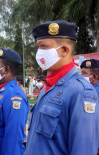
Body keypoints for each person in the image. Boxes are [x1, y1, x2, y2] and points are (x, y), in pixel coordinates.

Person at [25, 20, 99, 155]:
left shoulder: (81, 92)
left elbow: (83, 150)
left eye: (43, 47)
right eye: (38, 47)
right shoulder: (46, 88)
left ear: (64, 50)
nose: (39, 52)